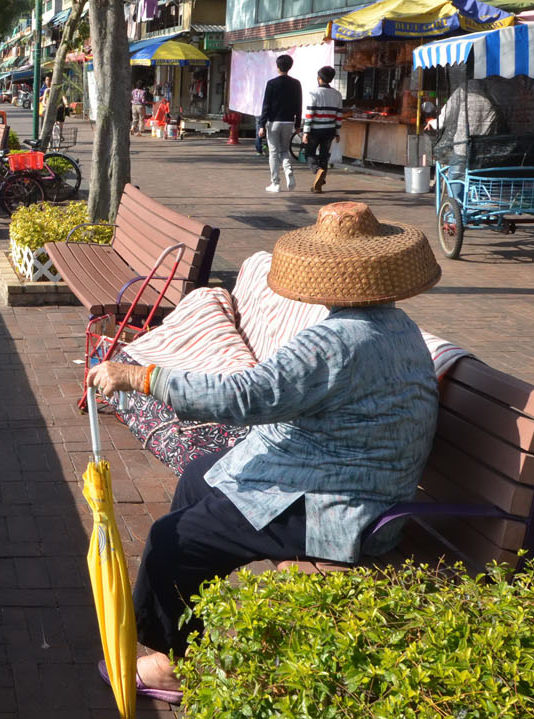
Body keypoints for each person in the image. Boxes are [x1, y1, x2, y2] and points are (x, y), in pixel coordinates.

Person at [85, 201, 441, 699]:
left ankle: (173, 664)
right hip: (348, 473)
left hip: (342, 506)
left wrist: (141, 376)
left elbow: (245, 396)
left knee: (174, 541)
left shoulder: (337, 341)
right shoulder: (391, 323)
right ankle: (190, 628)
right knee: (197, 478)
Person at [258, 54, 303, 193]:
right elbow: (298, 105)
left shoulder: (272, 83)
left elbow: (266, 105)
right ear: (290, 66)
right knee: (284, 150)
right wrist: (297, 124)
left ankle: (275, 183)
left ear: (277, 67)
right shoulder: (296, 83)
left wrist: (261, 124)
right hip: (289, 122)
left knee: (273, 152)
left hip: (274, 122)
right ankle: (288, 172)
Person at [303, 66, 344, 193]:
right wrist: (337, 132)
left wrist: (306, 132)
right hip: (330, 130)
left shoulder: (313, 93)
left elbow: (309, 115)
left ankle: (317, 170)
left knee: (309, 153)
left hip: (315, 130)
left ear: (319, 79)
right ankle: (319, 185)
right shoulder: (337, 95)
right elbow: (339, 116)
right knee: (324, 156)